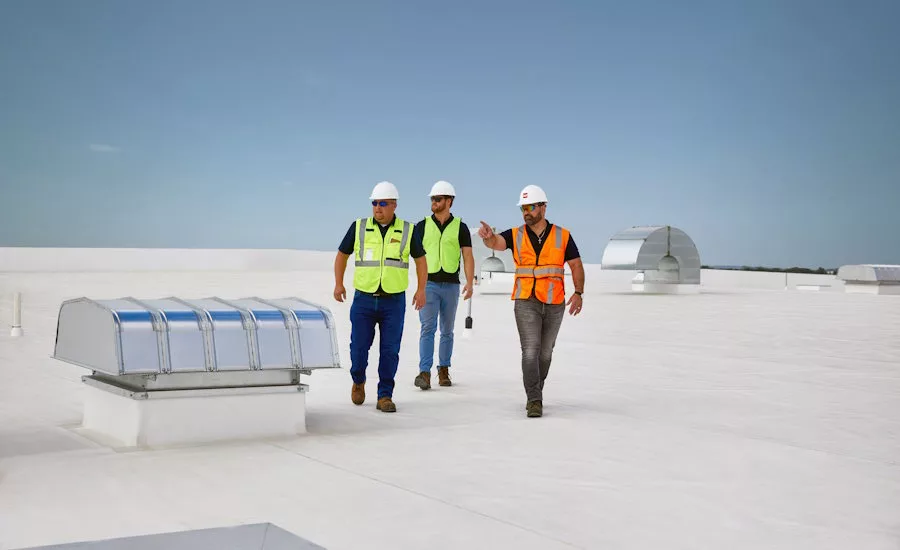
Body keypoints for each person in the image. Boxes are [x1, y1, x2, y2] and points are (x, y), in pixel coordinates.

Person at [477, 184, 584, 418]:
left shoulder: (562, 235)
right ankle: (534, 399)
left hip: (554, 302)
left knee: (545, 353)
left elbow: (575, 264)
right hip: (526, 300)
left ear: (543, 208)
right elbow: (496, 243)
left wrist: (579, 292)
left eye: (531, 207)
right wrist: (488, 239)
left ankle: (536, 388)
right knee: (530, 351)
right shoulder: (515, 234)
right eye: (523, 208)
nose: (526, 212)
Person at [334, 181, 428, 413]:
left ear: (394, 205)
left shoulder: (408, 230)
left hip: (393, 302)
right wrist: (338, 283)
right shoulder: (358, 227)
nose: (377, 208)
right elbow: (342, 255)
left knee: (389, 350)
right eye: (374, 203)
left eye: (383, 203)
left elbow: (421, 261)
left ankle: (385, 395)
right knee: (358, 348)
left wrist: (421, 289)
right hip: (364, 300)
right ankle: (358, 380)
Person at [411, 180, 475, 390]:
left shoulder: (460, 227)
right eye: (432, 199)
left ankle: (444, 369)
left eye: (438, 199)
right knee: (427, 328)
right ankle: (424, 372)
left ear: (449, 201)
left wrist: (470, 282)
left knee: (447, 330)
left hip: (451, 286)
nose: (434, 202)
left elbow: (467, 256)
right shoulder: (421, 227)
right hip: (429, 284)